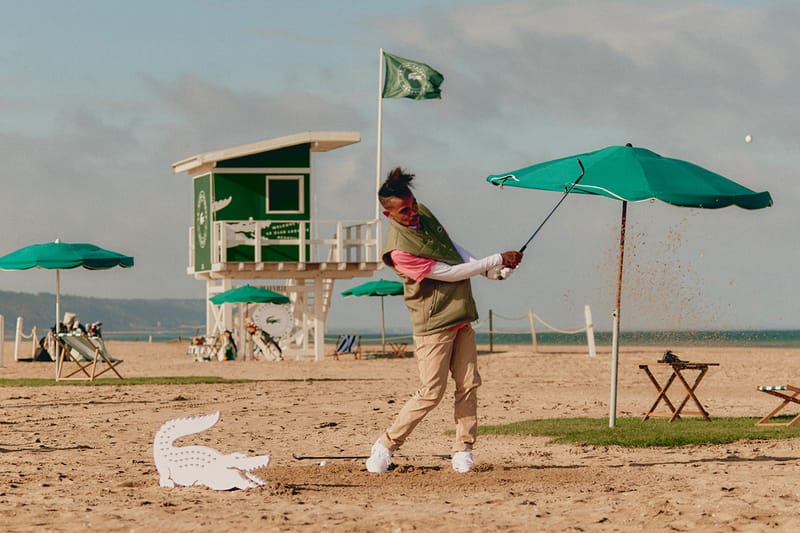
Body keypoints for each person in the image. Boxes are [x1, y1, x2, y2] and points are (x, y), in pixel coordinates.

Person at [366, 167, 523, 474]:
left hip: (460, 315)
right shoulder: (398, 251)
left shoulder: (423, 214)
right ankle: (384, 445)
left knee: (468, 384)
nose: (412, 214)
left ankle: (463, 450)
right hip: (433, 323)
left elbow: (452, 251)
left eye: (412, 205)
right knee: (431, 392)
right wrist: (494, 261)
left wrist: (489, 270)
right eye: (404, 211)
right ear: (388, 215)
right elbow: (446, 272)